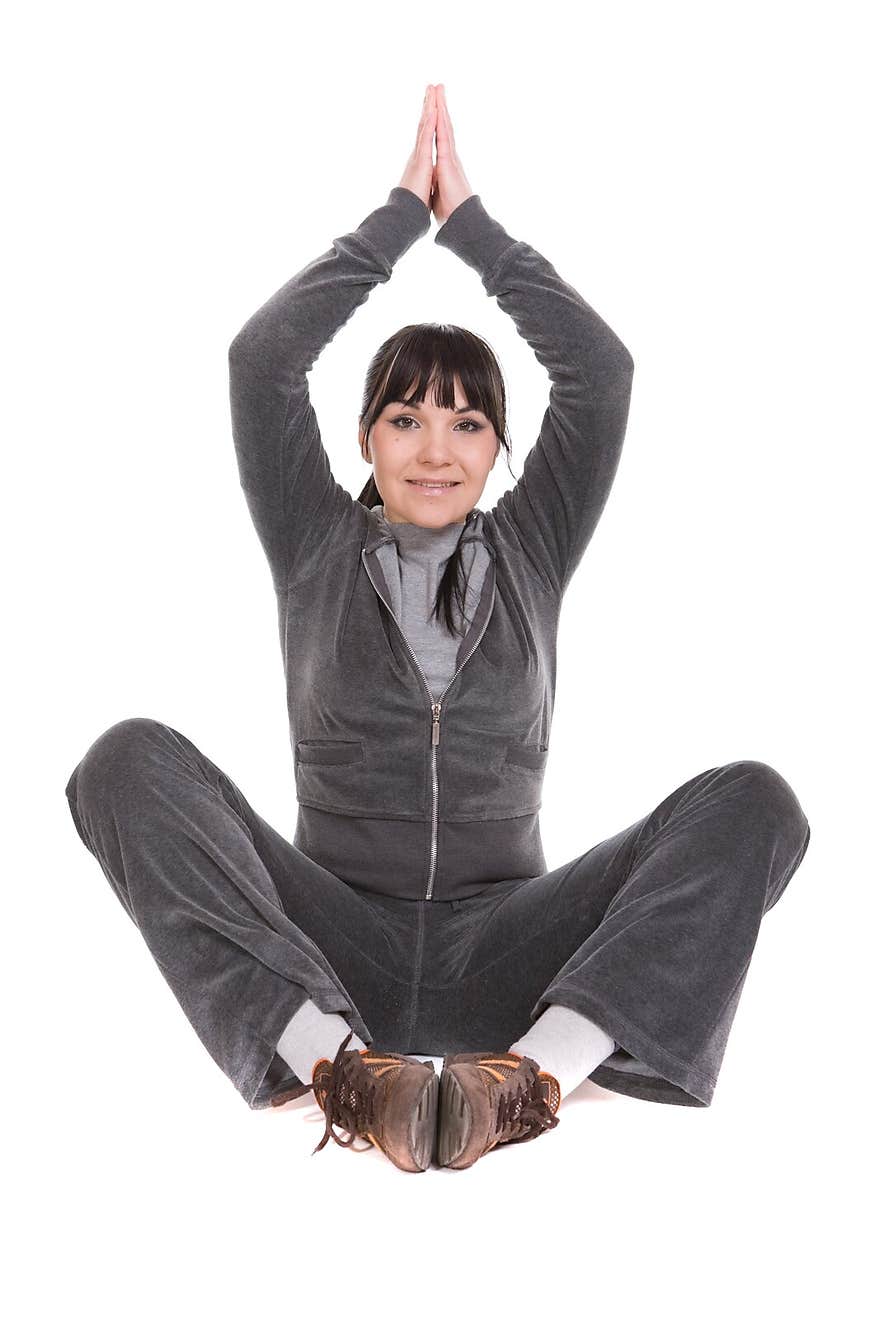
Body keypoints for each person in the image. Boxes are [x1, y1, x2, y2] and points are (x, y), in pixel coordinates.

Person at [64, 83, 811, 1174]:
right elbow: (259, 364)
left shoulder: (531, 546)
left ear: (498, 449)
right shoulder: (314, 538)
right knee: (121, 760)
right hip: (328, 939)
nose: (434, 447)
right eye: (405, 416)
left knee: (754, 799)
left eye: (467, 422)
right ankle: (344, 1077)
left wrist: (473, 230)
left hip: (507, 943)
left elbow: (599, 376)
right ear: (365, 437)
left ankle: (526, 1082)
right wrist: (397, 222)